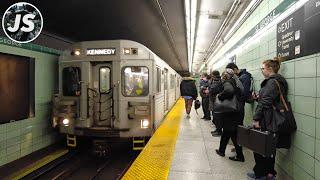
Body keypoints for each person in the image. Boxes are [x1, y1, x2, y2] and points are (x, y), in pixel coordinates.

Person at [247, 58, 288, 180]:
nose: (261, 70)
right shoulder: (276, 82)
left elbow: (265, 102)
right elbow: (268, 99)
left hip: (268, 119)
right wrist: (258, 97)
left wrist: (256, 119)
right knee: (268, 148)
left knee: (260, 147)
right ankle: (269, 174)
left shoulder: (271, 82)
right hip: (271, 118)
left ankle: (261, 174)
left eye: (262, 68)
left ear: (270, 69)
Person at [215, 69, 245, 162]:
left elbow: (229, 91)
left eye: (223, 75)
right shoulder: (236, 81)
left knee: (232, 133)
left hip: (231, 112)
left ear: (225, 76)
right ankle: (221, 150)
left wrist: (220, 96)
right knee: (228, 132)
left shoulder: (228, 82)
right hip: (236, 111)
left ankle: (240, 156)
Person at [208, 70, 223, 136]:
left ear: (214, 75)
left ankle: (219, 131)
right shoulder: (215, 81)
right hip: (215, 100)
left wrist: (209, 88)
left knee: (217, 116)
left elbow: (212, 89)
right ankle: (217, 129)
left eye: (212, 75)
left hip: (216, 100)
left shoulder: (217, 81)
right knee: (215, 115)